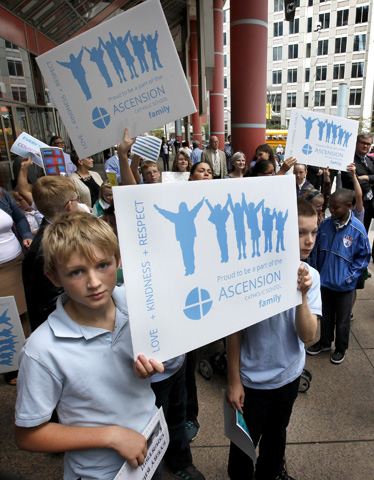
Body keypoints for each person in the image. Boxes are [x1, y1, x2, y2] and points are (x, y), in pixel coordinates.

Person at [15, 212, 164, 480]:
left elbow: (169, 355)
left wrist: (161, 362)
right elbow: (28, 434)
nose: (94, 282)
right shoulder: (42, 350)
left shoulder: (140, 304)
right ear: (53, 277)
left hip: (151, 445)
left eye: (103, 265)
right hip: (101, 472)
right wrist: (111, 436)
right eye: (76, 272)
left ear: (118, 261)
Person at [226, 198, 321, 480]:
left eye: (314, 232)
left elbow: (308, 336)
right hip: (251, 380)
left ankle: (270, 472)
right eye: (301, 233)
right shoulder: (249, 272)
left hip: (287, 377)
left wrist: (302, 294)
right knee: (243, 444)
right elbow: (235, 330)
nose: (309, 241)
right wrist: (233, 381)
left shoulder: (310, 277)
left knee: (276, 436)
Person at [307, 189, 371, 364]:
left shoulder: (358, 230)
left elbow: (364, 256)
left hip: (344, 286)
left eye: (336, 208)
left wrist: (349, 278)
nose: (331, 211)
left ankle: (341, 348)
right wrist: (316, 272)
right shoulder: (326, 225)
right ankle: (325, 342)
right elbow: (316, 250)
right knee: (325, 315)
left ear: (349, 206)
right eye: (331, 207)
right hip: (325, 283)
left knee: (342, 321)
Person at [22, 175, 82, 332]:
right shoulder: (49, 249)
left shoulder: (56, 237)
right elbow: (53, 302)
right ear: (69, 205)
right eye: (77, 199)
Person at [0, 186, 33, 384]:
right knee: (3, 319)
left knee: (21, 314)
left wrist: (27, 234)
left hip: (15, 263)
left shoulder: (2, 193)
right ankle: (11, 368)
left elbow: (20, 218)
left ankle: (27, 362)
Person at [341, 132, 374, 231]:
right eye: (363, 142)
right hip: (354, 205)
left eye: (368, 144)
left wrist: (367, 178)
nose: (365, 146)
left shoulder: (370, 160)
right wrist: (369, 185)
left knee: (364, 233)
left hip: (369, 205)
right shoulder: (348, 160)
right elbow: (351, 180)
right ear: (356, 143)